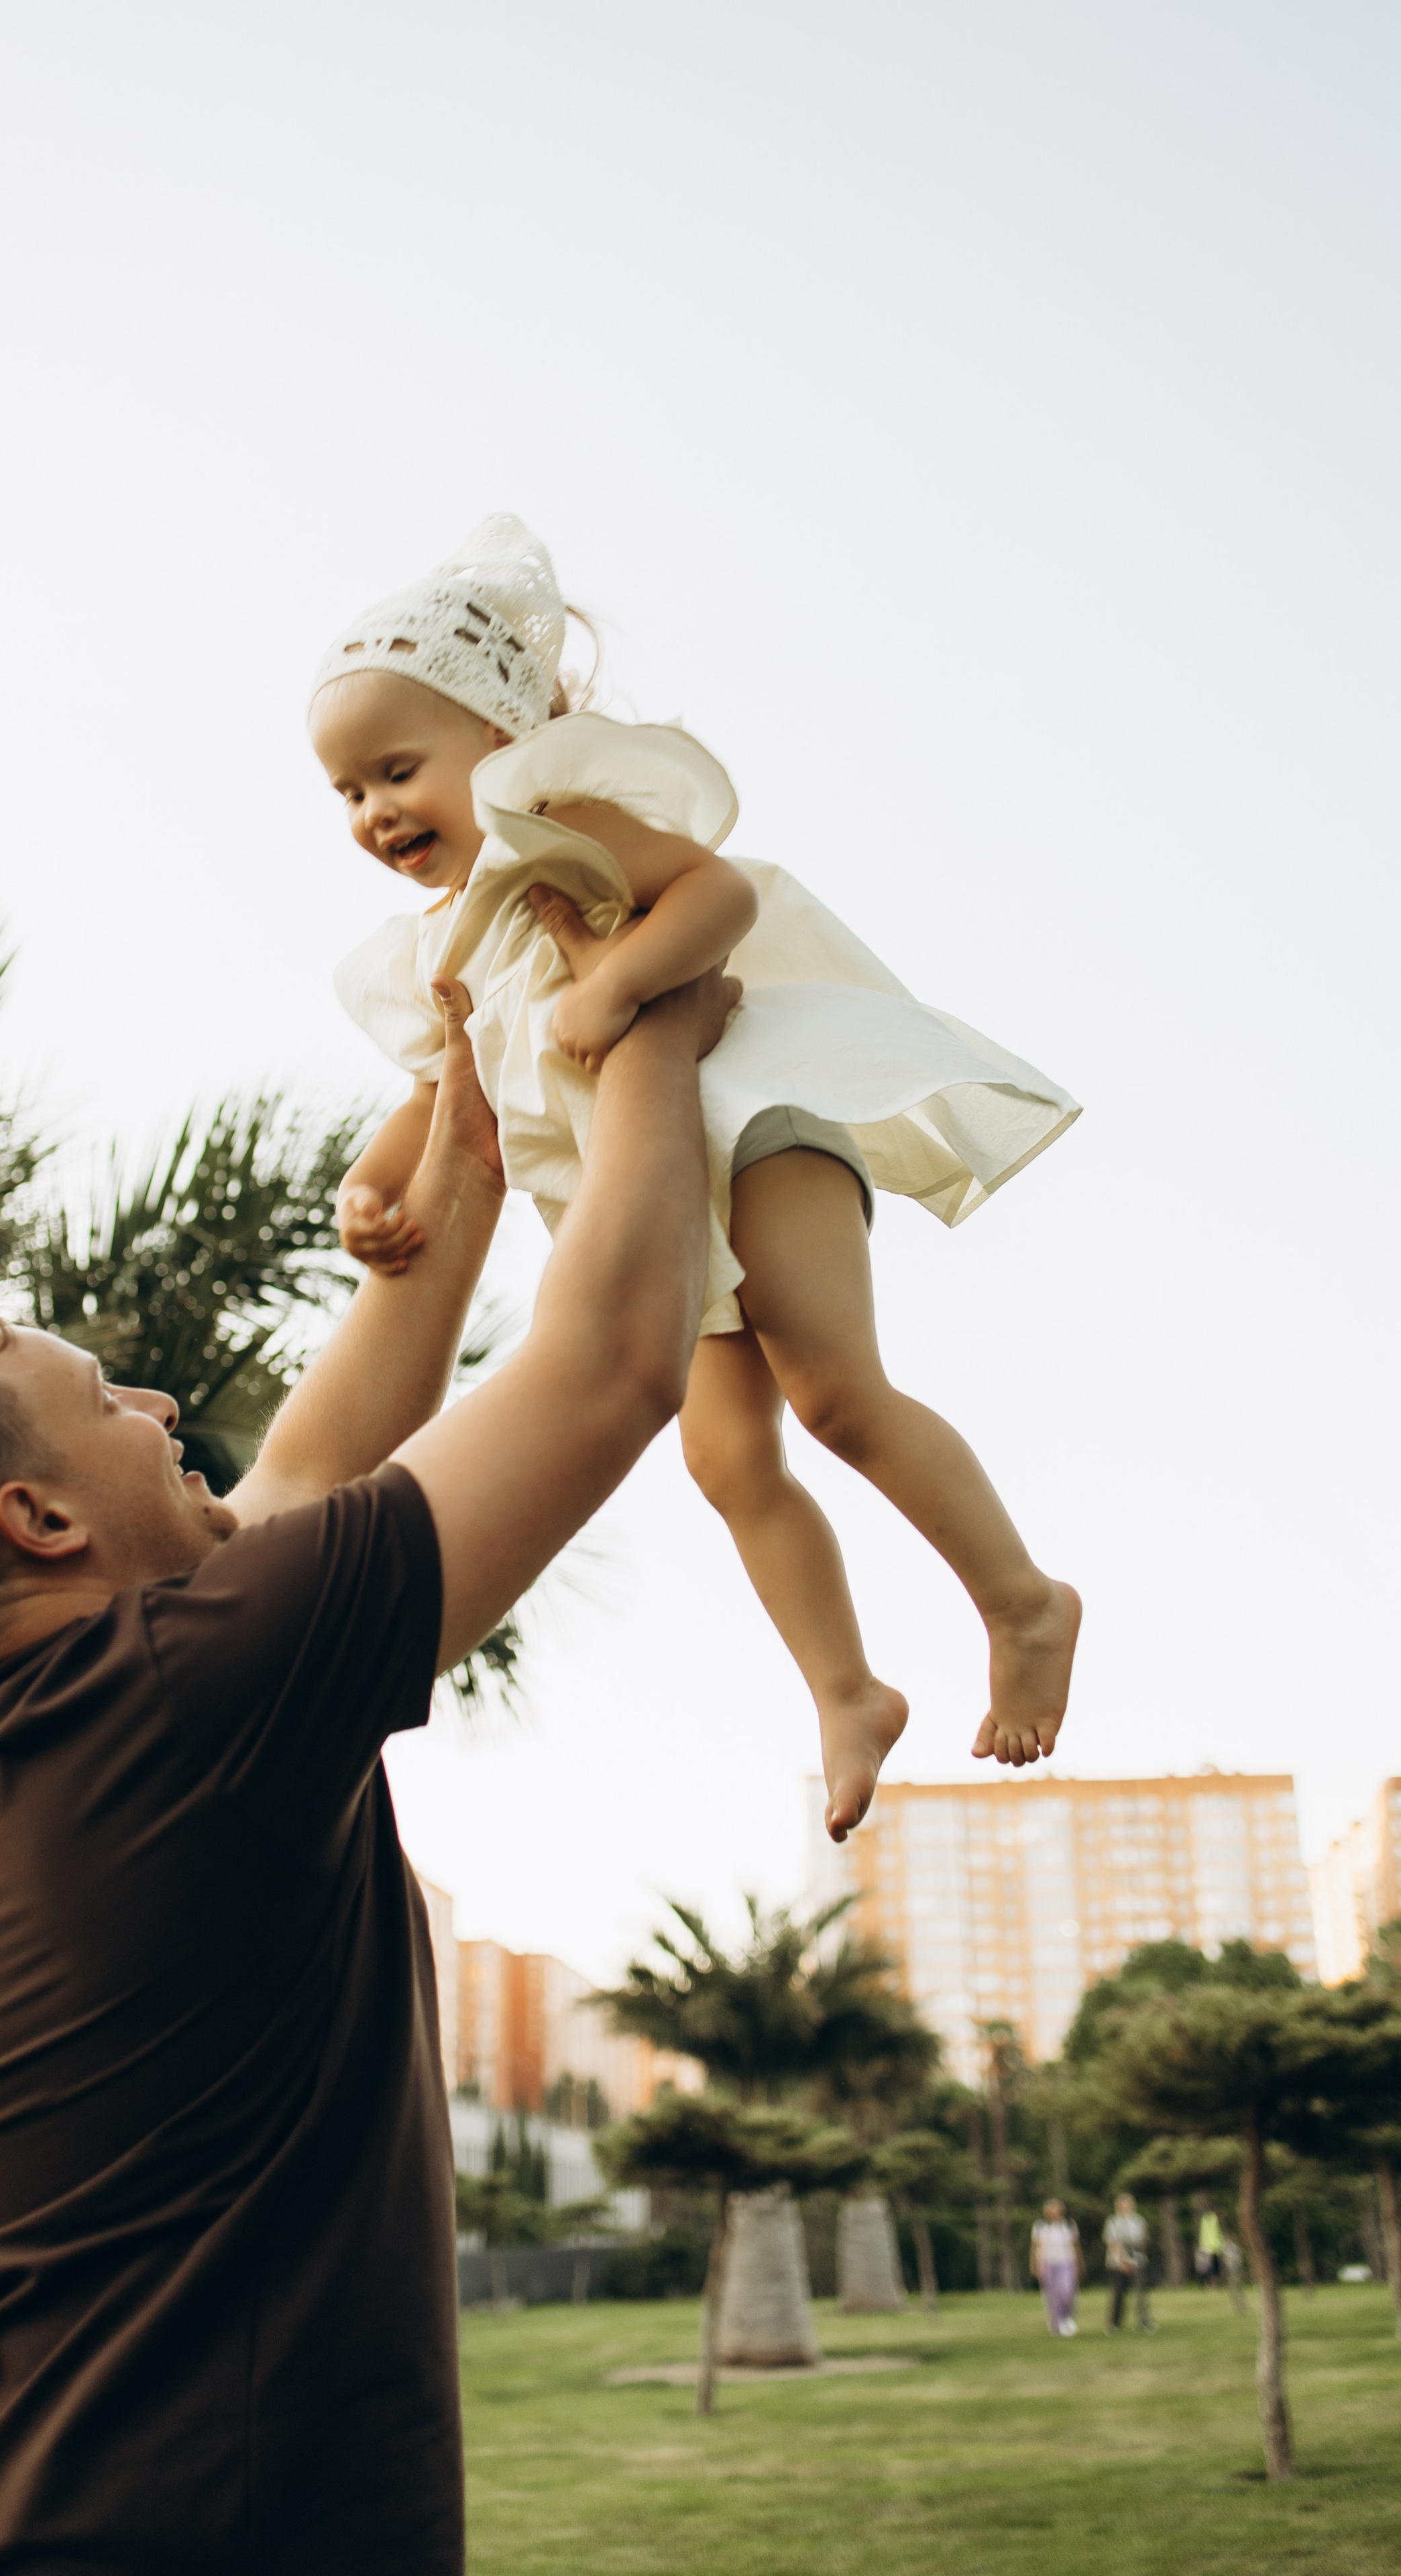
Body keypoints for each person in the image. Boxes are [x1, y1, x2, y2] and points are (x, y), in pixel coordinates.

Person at [0, 961, 738, 2576]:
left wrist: (471, 1111)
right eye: (104, 1400)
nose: (156, 1403)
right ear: (41, 1523)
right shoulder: (183, 1691)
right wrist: (660, 1023)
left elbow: (309, 1460)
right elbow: (617, 1359)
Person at [314, 515, 1082, 1843]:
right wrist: (377, 1187)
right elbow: (442, 1084)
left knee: (834, 1390)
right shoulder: (440, 945)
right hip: (653, 1192)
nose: (375, 812)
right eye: (346, 794)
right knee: (728, 1460)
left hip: (749, 1115)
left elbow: (715, 895)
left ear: (495, 738)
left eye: (395, 770)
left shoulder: (550, 817)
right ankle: (846, 1692)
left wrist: (615, 977)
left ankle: (1020, 1598)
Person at [1103, 2191, 1154, 2332]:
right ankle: (1115, 2323)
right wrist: (1123, 2261)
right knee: (1118, 2293)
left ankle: (1144, 2322)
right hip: (1118, 2261)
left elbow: (1142, 2241)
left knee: (1141, 2293)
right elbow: (1113, 2243)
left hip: (1137, 2259)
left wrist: (1133, 2260)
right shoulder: (1113, 2222)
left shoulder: (1139, 2221)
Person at [1030, 2198, 1083, 2336]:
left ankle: (1067, 2318)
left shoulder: (1069, 2226)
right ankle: (1057, 2324)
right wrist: (1035, 2265)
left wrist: (1080, 2265)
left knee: (1067, 2292)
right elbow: (1036, 2247)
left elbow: (1076, 2247)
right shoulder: (1040, 2227)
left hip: (1066, 2262)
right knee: (1052, 2296)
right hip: (1048, 2263)